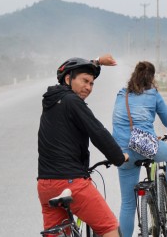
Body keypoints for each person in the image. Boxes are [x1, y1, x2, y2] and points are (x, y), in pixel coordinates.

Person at [37, 54, 128, 237]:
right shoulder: (73, 101)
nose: (88, 87)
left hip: (45, 185)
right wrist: (118, 157)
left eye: (92, 83)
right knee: (109, 228)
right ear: (69, 79)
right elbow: (98, 133)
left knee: (57, 232)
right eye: (85, 81)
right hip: (71, 182)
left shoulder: (51, 101)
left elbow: (79, 70)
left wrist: (97, 62)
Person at [112, 61, 167, 237]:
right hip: (143, 146)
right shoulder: (153, 94)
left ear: (133, 75)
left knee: (128, 203)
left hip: (120, 151)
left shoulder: (121, 94)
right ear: (152, 78)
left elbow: (120, 123)